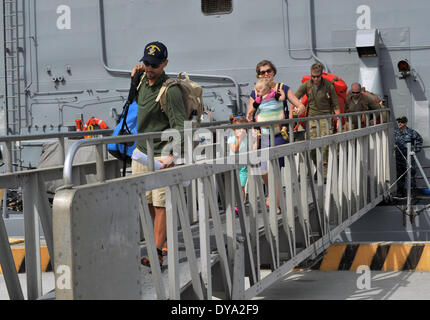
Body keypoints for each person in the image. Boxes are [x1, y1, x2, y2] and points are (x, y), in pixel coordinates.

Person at [131, 41, 186, 268]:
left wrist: (172, 156)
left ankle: (156, 253)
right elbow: (136, 105)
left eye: (154, 64)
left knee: (161, 203)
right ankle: (161, 243)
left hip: (162, 154)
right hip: (142, 152)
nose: (150, 68)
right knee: (148, 202)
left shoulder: (170, 90)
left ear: (165, 63)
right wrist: (133, 80)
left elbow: (180, 125)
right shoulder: (142, 81)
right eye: (146, 63)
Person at [246, 60, 306, 210]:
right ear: (258, 75)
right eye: (262, 72)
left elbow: (300, 105)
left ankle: (275, 204)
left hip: (279, 133)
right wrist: (250, 115)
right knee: (262, 168)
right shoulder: (256, 91)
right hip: (263, 134)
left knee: (274, 169)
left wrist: (299, 110)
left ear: (273, 72)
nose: (266, 74)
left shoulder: (282, 89)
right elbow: (249, 114)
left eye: (268, 71)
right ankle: (272, 193)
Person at [295, 62, 340, 179]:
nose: (315, 79)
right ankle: (319, 168)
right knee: (311, 148)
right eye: (313, 76)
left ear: (321, 75)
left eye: (317, 76)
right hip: (312, 120)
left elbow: (335, 104)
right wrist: (297, 108)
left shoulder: (329, 86)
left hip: (326, 119)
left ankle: (324, 174)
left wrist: (338, 119)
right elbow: (295, 97)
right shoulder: (307, 85)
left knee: (325, 147)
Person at [394, 116, 423, 197]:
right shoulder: (395, 132)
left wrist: (415, 150)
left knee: (411, 175)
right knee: (399, 176)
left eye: (401, 122)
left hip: (409, 158)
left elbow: (420, 140)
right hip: (399, 158)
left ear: (406, 123)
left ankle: (413, 192)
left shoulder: (411, 132)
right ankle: (400, 192)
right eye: (399, 122)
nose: (399, 123)